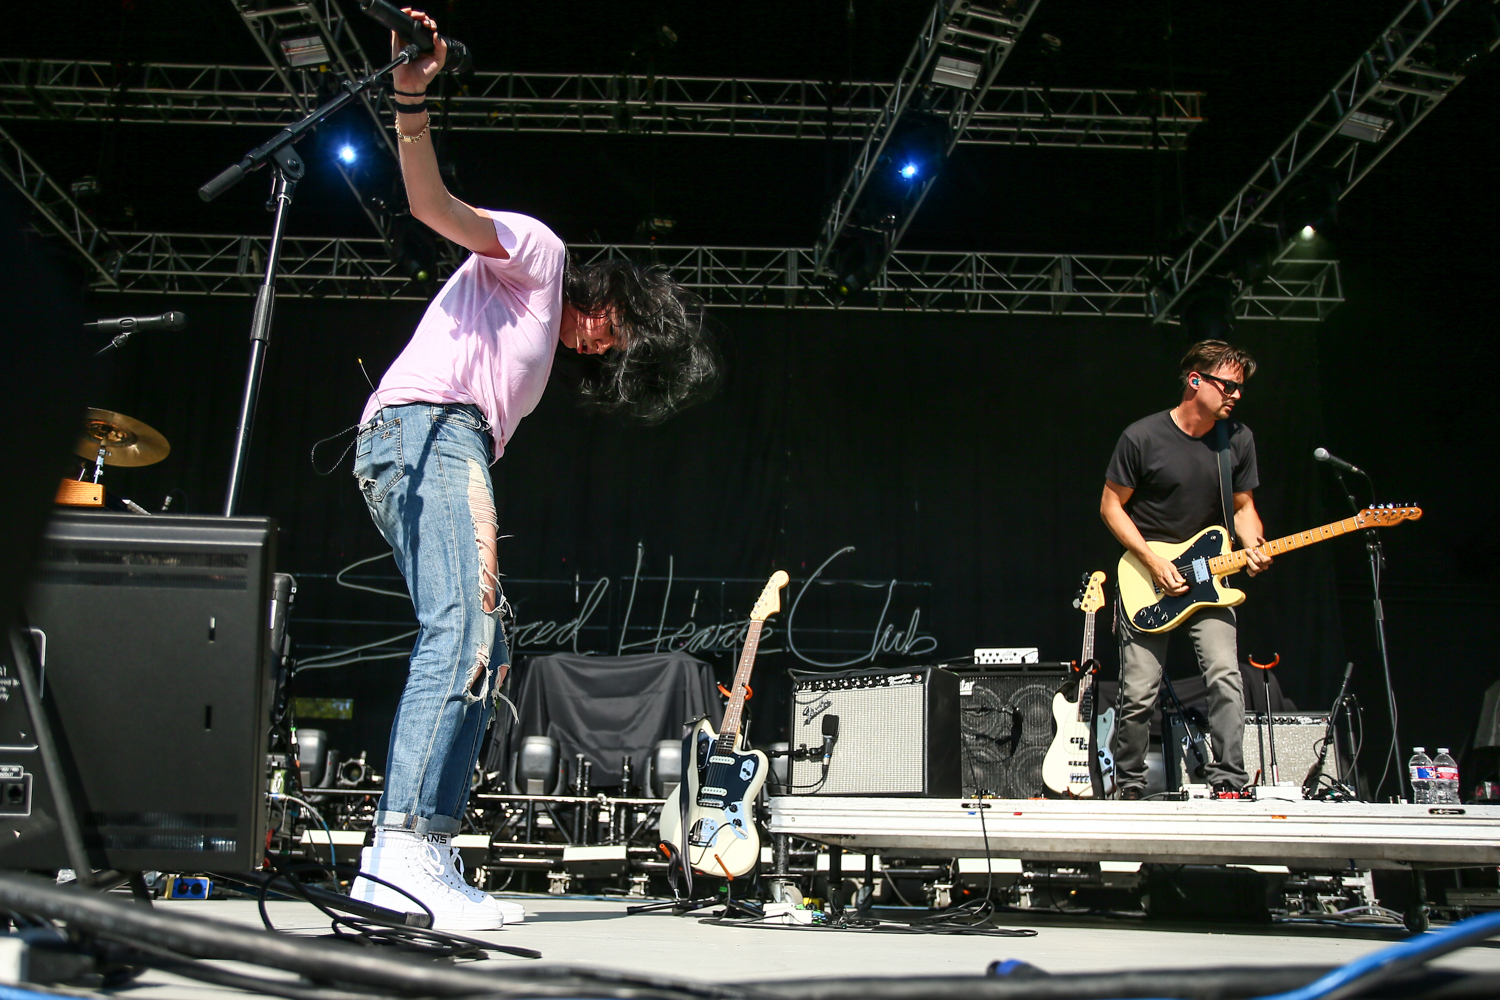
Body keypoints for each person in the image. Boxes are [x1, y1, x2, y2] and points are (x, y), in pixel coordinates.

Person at [348, 10, 718, 931]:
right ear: (616, 293)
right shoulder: (542, 257)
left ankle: (427, 850)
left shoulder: (543, 348)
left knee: (490, 648)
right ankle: (396, 855)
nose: (604, 345)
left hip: (439, 441)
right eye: (618, 329)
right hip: (428, 428)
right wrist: (411, 99)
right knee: (462, 634)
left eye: (617, 351)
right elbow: (434, 208)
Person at [1099, 340, 1271, 800]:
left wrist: (1253, 543)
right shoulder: (1143, 437)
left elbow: (1243, 506)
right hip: (1148, 576)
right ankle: (1129, 785)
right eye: (1228, 385)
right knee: (1139, 692)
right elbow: (1111, 506)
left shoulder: (1237, 439)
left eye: (1240, 387)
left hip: (1210, 577)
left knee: (1226, 676)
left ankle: (1229, 781)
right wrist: (1153, 561)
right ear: (1195, 380)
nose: (1236, 395)